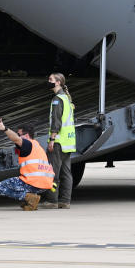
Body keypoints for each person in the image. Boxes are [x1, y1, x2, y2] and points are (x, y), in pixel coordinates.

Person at [0, 120, 54, 211]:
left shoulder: (27, 144)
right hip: (45, 184)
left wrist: (5, 129)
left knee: (0, 187)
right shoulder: (37, 145)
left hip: (33, 182)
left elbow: (15, 139)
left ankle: (30, 198)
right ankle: (30, 202)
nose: (18, 136)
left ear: (26, 135)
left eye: (19, 134)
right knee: (20, 181)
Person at [40, 73, 76, 209]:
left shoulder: (57, 100)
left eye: (50, 80)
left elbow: (56, 121)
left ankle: (52, 200)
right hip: (68, 142)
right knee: (66, 173)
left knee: (53, 172)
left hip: (59, 142)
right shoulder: (66, 98)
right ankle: (65, 201)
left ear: (58, 82)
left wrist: (52, 139)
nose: (48, 81)